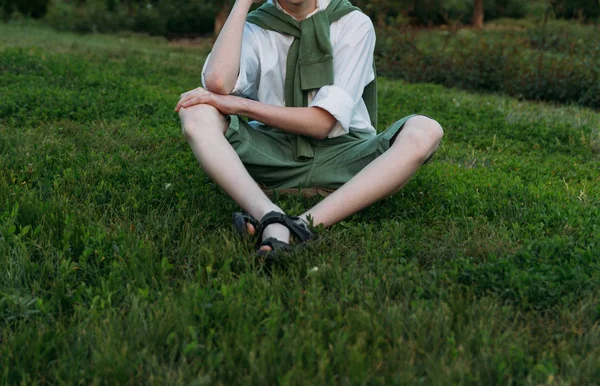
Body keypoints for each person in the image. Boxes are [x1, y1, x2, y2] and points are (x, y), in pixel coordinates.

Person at [175, 0, 443, 257]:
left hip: (345, 155)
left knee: (425, 130)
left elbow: (322, 123)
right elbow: (218, 83)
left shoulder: (353, 22)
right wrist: (243, 2)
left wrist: (241, 106)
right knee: (196, 110)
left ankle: (300, 225)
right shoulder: (257, 27)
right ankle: (267, 213)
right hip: (273, 153)